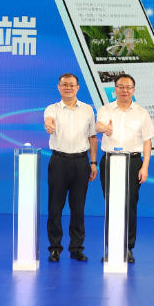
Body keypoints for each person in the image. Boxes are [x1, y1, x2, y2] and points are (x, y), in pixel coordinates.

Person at [95, 74, 154, 263]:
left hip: (133, 162)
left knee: (130, 205)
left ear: (133, 90)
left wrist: (145, 166)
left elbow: (147, 141)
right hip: (110, 161)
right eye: (121, 87)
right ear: (115, 89)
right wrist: (104, 128)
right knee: (111, 205)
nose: (124, 90)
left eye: (128, 87)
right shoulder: (106, 109)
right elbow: (98, 124)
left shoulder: (141, 113)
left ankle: (128, 248)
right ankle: (111, 248)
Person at [43, 73, 98, 262]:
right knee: (55, 207)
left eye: (72, 85)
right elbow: (48, 121)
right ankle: (54, 248)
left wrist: (93, 163)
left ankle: (76, 248)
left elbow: (92, 137)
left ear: (78, 87)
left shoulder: (88, 110)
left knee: (78, 207)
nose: (68, 87)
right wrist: (49, 126)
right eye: (64, 84)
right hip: (59, 161)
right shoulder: (52, 108)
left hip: (81, 162)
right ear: (59, 87)